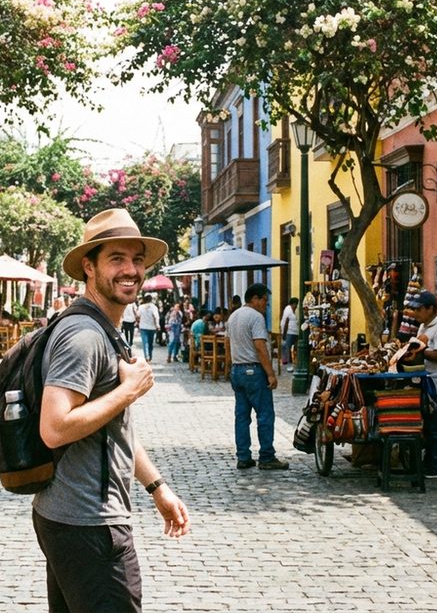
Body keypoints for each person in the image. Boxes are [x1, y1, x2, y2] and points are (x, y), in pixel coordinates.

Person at [34, 208, 189, 612]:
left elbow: (112, 429)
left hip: (72, 518)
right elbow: (54, 427)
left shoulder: (103, 328)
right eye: (116, 259)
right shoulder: (84, 336)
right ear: (89, 266)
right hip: (89, 523)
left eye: (137, 259)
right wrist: (128, 391)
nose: (131, 270)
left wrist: (157, 487)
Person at [227, 284, 287, 471]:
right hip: (253, 370)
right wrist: (270, 374)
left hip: (237, 370)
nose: (265, 306)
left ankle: (243, 456)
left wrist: (231, 367)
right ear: (255, 298)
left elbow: (228, 344)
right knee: (265, 414)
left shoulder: (233, 316)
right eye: (264, 301)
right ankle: (267, 456)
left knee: (242, 416)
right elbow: (260, 347)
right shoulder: (256, 317)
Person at [411, 290, 437, 479]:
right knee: (426, 426)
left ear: (430, 309)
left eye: (419, 309)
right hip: (425, 383)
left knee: (436, 427)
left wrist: (421, 350)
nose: (415, 313)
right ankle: (427, 461)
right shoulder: (423, 327)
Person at [137, 294, 160, 362]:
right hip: (152, 327)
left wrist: (138, 321)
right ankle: (150, 356)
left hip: (143, 327)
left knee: (145, 343)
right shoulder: (154, 307)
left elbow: (137, 315)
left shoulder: (141, 307)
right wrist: (157, 325)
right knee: (150, 343)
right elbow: (156, 317)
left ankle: (146, 356)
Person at [280, 297, 300, 366]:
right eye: (295, 304)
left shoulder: (295, 310)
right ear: (292, 304)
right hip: (289, 332)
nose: (296, 306)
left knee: (295, 347)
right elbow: (286, 323)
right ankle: (287, 362)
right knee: (287, 347)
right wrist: (284, 334)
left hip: (295, 332)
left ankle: (292, 361)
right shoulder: (288, 310)